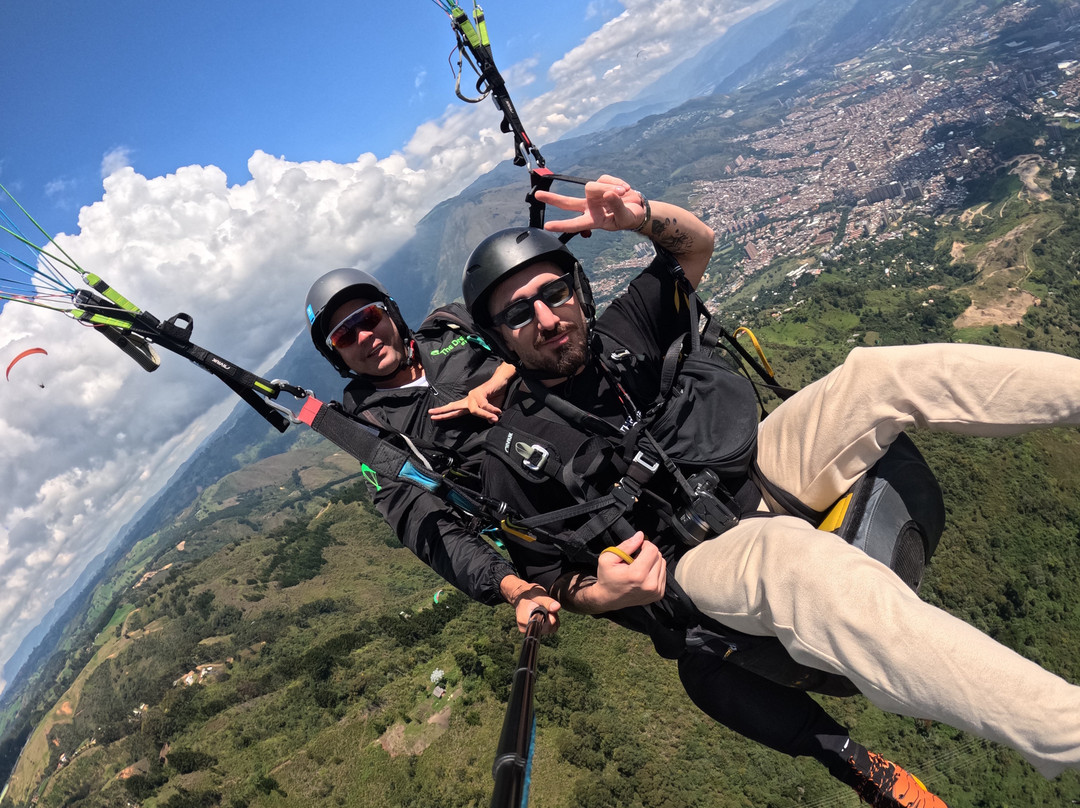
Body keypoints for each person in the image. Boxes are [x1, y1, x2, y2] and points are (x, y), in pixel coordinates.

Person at [460, 176, 1080, 793]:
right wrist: (609, 593)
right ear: (497, 338)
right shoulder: (514, 453)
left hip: (750, 471)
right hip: (692, 559)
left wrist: (642, 216)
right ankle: (1065, 731)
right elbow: (549, 579)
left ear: (579, 291)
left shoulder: (621, 333)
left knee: (875, 374)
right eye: (519, 313)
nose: (547, 318)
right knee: (790, 561)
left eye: (557, 292)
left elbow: (694, 247)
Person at [303, 268, 558, 631]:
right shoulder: (369, 432)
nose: (364, 336)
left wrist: (505, 373)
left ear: (391, 313)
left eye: (369, 317)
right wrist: (514, 588)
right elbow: (426, 526)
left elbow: (541, 336)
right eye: (344, 335)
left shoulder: (453, 326)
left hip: (601, 447)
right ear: (336, 356)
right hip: (549, 529)